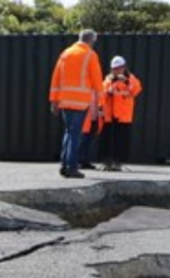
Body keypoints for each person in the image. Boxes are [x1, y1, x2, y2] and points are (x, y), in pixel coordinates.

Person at [48, 30, 103, 179]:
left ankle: (64, 165)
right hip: (80, 102)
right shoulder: (91, 55)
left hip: (65, 100)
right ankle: (72, 167)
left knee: (68, 132)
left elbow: (56, 78)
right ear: (91, 41)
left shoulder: (65, 53)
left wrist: (54, 100)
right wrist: (100, 103)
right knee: (75, 135)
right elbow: (97, 82)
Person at [100, 56, 142, 172]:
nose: (116, 71)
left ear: (124, 67)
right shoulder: (108, 80)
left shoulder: (131, 79)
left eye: (119, 68)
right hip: (109, 115)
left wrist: (127, 81)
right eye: (114, 69)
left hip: (123, 115)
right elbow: (102, 94)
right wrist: (108, 90)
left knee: (122, 140)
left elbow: (136, 89)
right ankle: (107, 163)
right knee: (107, 140)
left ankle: (120, 163)